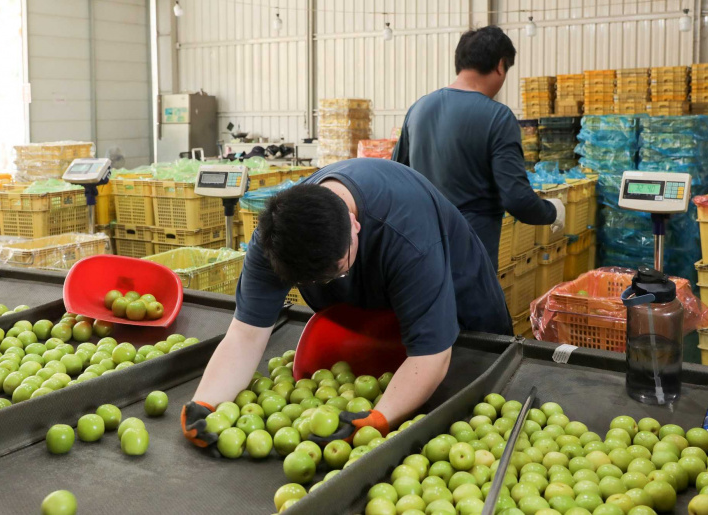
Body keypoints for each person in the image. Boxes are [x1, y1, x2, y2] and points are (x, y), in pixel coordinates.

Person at [181, 158, 511, 447]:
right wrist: (206, 403)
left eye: (337, 271)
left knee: (478, 389)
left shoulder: (407, 237)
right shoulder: (277, 238)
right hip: (382, 312)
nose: (330, 285)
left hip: (461, 306)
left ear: (355, 225)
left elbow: (431, 356)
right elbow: (246, 335)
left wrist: (380, 418)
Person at [392, 26, 565, 271]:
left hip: (421, 254)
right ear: (500, 65)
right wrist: (552, 211)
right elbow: (517, 199)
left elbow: (396, 178)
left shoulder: (418, 109)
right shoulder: (498, 117)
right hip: (470, 257)